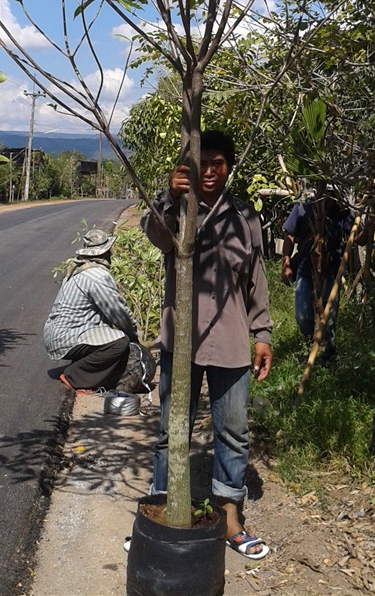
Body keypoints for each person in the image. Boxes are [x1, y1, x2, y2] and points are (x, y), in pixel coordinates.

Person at [140, 130, 273, 561]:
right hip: (181, 343)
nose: (211, 172)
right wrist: (168, 196)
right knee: (169, 432)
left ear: (229, 167)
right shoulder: (178, 211)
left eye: (218, 163)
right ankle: (158, 512)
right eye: (203, 165)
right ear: (190, 170)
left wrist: (263, 334)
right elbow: (154, 234)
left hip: (231, 343)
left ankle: (230, 518)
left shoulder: (245, 217)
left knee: (232, 433)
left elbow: (256, 279)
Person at [43, 228, 138, 391]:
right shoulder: (97, 276)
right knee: (119, 342)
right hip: (64, 337)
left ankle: (82, 364)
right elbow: (119, 313)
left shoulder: (79, 268)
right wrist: (134, 336)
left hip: (56, 334)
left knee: (107, 333)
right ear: (105, 252)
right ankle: (74, 375)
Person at [280, 189, 359, 361]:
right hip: (305, 269)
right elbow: (289, 233)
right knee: (302, 315)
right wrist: (286, 262)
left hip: (331, 271)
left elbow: (357, 237)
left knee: (329, 318)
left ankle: (328, 354)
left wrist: (369, 226)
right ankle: (311, 345)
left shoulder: (343, 211)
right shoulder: (304, 206)